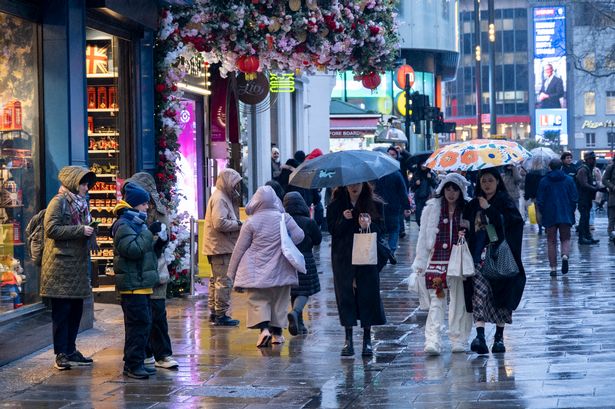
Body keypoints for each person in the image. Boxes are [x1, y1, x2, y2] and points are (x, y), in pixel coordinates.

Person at [227, 186, 304, 347]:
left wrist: (231, 272)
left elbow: (239, 249)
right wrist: (286, 241)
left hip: (256, 272)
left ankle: (264, 331)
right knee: (280, 302)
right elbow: (299, 236)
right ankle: (277, 334)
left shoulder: (251, 222)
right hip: (282, 269)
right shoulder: (284, 218)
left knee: (258, 301)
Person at [463, 168, 526, 355]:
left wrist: (489, 210)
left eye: (490, 180)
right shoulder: (473, 204)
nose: (487, 184)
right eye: (483, 181)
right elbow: (466, 226)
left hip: (500, 258)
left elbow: (514, 224)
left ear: (498, 182)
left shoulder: (505, 202)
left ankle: (499, 338)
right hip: (477, 258)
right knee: (479, 294)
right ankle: (480, 336)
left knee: (501, 299)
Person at [40, 166, 97, 370]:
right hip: (60, 266)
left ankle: (71, 350)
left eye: (87, 183)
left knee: (76, 309)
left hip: (77, 264)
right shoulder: (59, 201)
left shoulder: (81, 204)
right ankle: (61, 353)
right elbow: (51, 229)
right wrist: (80, 230)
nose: (86, 187)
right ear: (73, 183)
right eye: (83, 183)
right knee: (62, 311)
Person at [411, 173, 473, 355]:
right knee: (437, 301)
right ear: (442, 189)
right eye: (448, 188)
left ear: (461, 190)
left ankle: (458, 339)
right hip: (437, 263)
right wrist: (420, 263)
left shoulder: (468, 208)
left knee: (458, 302)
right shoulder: (432, 208)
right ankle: (432, 339)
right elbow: (423, 238)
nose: (451, 193)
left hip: (458, 265)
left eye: (455, 189)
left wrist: (467, 231)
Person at [122, 173, 178, 370]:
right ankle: (145, 352)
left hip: (155, 268)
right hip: (138, 272)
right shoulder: (126, 215)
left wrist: (159, 238)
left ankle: (162, 353)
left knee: (157, 312)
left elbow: (164, 235)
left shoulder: (158, 211)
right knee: (140, 316)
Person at [326, 182, 387, 357]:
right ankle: (348, 340)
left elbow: (382, 231)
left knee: (367, 296)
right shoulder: (335, 206)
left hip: (367, 258)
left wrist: (367, 225)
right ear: (344, 185)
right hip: (343, 258)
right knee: (346, 298)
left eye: (358, 184)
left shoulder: (375, 204)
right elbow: (332, 230)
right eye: (351, 184)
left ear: (363, 184)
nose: (354, 187)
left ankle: (367, 340)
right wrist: (343, 220)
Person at [112, 183, 161, 379]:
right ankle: (133, 365)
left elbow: (146, 252)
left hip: (141, 284)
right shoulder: (124, 224)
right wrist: (149, 233)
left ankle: (136, 361)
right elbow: (132, 250)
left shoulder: (135, 223)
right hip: (133, 287)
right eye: (143, 204)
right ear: (134, 205)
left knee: (143, 325)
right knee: (137, 326)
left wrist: (160, 239)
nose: (147, 208)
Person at [202, 169, 243, 326]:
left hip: (218, 246)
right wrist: (239, 224)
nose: (237, 186)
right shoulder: (220, 198)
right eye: (235, 182)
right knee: (223, 281)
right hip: (221, 247)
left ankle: (215, 312)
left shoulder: (222, 196)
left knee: (216, 280)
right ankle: (221, 314)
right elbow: (219, 223)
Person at [283, 192, 322, 335]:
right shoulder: (308, 222)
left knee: (295, 291)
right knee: (304, 291)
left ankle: (300, 324)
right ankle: (296, 312)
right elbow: (318, 240)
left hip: (288, 260)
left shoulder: (283, 220)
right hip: (306, 260)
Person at [536, 159, 578, 277]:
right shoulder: (569, 180)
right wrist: (571, 210)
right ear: (561, 168)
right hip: (565, 212)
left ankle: (553, 268)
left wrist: (543, 212)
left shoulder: (544, 181)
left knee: (551, 241)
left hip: (550, 214)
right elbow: (574, 197)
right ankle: (564, 255)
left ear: (549, 167)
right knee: (565, 238)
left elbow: (540, 200)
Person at [374, 170, 411, 257]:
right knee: (394, 229)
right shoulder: (396, 174)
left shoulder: (375, 174)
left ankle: (383, 250)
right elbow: (402, 191)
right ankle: (391, 250)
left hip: (378, 206)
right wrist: (406, 206)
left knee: (381, 229)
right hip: (393, 206)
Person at [575, 151, 600, 245]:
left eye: (594, 158)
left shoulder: (589, 169)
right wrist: (595, 189)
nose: (594, 160)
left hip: (587, 197)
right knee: (584, 218)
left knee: (587, 217)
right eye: (592, 159)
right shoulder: (583, 169)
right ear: (587, 160)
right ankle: (582, 238)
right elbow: (584, 184)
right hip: (582, 197)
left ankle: (588, 236)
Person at [524, 161, 547, 233]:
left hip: (534, 195)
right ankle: (546, 226)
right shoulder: (545, 173)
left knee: (537, 210)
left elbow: (527, 186)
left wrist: (527, 196)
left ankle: (540, 227)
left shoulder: (529, 174)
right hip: (544, 195)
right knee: (546, 210)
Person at [602, 160, 615, 242]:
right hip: (613, 196)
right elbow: (604, 180)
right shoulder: (611, 167)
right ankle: (611, 234)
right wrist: (612, 187)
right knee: (612, 217)